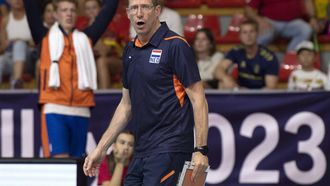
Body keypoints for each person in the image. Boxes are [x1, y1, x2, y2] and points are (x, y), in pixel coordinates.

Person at [84, 0, 209, 185]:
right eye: (134, 8)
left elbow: (199, 99)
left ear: (157, 11)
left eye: (145, 7)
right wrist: (102, 148)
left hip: (170, 148)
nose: (139, 13)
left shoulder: (176, 45)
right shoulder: (129, 50)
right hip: (141, 150)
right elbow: (126, 106)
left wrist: (201, 150)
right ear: (128, 13)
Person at [23, 0, 119, 157]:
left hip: (81, 109)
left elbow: (109, 10)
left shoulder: (86, 38)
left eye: (72, 10)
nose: (68, 13)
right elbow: (31, 6)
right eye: (64, 10)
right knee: (60, 164)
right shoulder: (44, 37)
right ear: (55, 14)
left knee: (77, 165)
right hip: (54, 108)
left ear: (77, 14)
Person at [216, 20, 279, 90]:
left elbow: (271, 87)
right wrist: (226, 78)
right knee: (222, 83)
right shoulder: (236, 51)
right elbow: (218, 70)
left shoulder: (269, 57)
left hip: (260, 95)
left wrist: (250, 92)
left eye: (251, 31)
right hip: (241, 92)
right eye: (244, 32)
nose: (248, 35)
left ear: (257, 34)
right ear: (240, 36)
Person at [245, 0, 318, 51]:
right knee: (264, 34)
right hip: (270, 22)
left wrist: (312, 18)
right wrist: (259, 20)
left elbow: (307, 1)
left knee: (306, 29)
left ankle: (290, 58)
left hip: (292, 22)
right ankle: (251, 59)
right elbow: (248, 9)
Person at [83, 0, 122, 89]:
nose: (91, 11)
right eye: (88, 9)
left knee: (101, 61)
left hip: (116, 61)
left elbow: (103, 52)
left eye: (94, 8)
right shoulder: (82, 29)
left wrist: (95, 29)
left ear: (101, 9)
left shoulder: (111, 26)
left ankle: (104, 96)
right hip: (94, 63)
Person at [0, 0, 34, 88]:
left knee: (19, 44)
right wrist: (8, 44)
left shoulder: (32, 17)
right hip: (10, 56)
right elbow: (2, 47)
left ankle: (16, 82)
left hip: (28, 58)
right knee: (0, 60)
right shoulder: (6, 20)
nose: (18, 0)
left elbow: (37, 42)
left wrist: (22, 41)